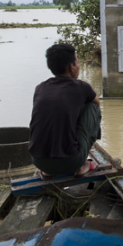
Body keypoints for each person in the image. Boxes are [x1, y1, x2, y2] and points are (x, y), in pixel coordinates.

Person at [28, 43, 102, 179]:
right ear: (71, 67)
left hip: (38, 161)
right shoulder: (81, 87)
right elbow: (96, 105)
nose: (79, 66)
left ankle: (49, 171)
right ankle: (82, 166)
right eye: (77, 62)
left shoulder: (40, 88)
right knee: (91, 108)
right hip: (71, 162)